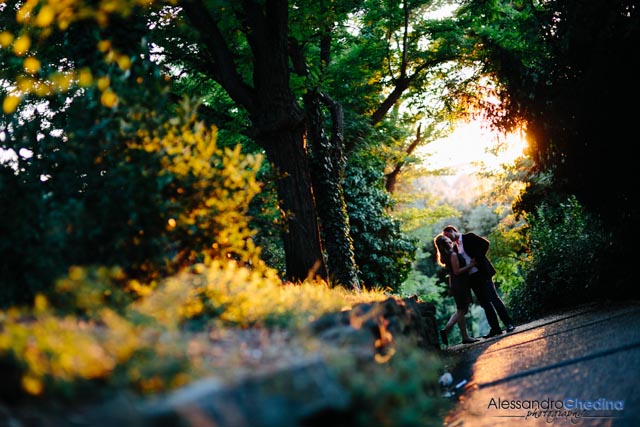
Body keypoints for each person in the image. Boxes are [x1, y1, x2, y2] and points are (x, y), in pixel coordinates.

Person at [442, 225, 515, 338]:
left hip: (482, 273)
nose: (449, 239)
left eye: (448, 235)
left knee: (494, 299)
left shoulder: (469, 237)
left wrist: (477, 258)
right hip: (472, 279)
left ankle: (509, 324)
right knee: (485, 304)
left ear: (452, 230)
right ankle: (496, 329)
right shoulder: (455, 249)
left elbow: (485, 244)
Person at [433, 233, 480, 347]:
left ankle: (465, 337)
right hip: (460, 284)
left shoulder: (447, 255)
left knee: (461, 310)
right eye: (447, 239)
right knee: (461, 311)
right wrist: (471, 265)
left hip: (457, 284)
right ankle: (446, 330)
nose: (450, 240)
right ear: (445, 242)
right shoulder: (452, 254)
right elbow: (457, 271)